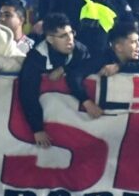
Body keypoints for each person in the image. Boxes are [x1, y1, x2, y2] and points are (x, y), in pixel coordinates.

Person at [19, 13, 102, 148]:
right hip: (50, 123)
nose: (70, 39)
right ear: (50, 39)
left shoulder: (80, 50)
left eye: (71, 33)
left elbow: (90, 65)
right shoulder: (35, 58)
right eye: (63, 36)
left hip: (80, 124)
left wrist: (65, 68)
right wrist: (37, 129)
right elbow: (28, 94)